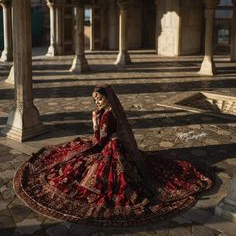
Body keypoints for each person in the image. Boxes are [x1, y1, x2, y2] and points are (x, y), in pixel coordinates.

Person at [14, 84, 214, 227]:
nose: (98, 102)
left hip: (111, 147)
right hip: (114, 143)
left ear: (108, 98)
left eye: (100, 99)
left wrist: (94, 122)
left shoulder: (107, 115)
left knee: (93, 171)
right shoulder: (109, 111)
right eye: (95, 100)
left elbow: (99, 140)